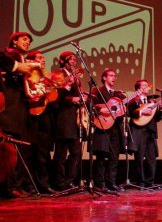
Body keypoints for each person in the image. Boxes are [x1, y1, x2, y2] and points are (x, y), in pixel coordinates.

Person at [0, 32, 37, 199]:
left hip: (18, 104)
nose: (27, 42)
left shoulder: (20, 58)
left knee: (15, 146)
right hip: (11, 104)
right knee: (10, 144)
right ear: (14, 41)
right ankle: (9, 187)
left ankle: (13, 186)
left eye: (29, 40)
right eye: (24, 39)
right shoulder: (12, 54)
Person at [52, 51, 87, 191]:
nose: (74, 61)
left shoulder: (77, 78)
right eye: (70, 59)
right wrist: (69, 91)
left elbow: (78, 95)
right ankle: (59, 182)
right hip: (63, 117)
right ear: (63, 61)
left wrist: (83, 98)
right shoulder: (57, 75)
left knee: (76, 152)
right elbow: (55, 97)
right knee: (61, 153)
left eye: (74, 59)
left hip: (75, 118)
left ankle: (69, 180)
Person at [25, 50, 58, 194]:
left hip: (45, 118)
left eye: (44, 58)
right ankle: (29, 184)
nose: (43, 60)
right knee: (30, 153)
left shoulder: (46, 78)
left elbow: (53, 99)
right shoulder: (27, 76)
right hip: (31, 117)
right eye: (40, 58)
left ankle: (43, 184)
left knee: (43, 153)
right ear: (30, 60)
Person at [91, 69, 126, 192]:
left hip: (115, 128)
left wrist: (123, 107)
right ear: (104, 78)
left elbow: (122, 111)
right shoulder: (97, 91)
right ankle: (100, 184)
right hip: (102, 126)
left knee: (114, 157)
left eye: (115, 76)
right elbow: (92, 105)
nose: (114, 78)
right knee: (101, 157)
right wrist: (102, 109)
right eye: (111, 75)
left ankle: (111, 183)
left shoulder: (118, 94)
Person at [127, 79, 162, 188]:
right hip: (139, 132)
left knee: (151, 157)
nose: (148, 87)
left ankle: (150, 181)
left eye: (148, 85)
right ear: (138, 89)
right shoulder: (133, 100)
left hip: (150, 131)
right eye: (144, 85)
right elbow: (129, 113)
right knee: (139, 157)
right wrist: (141, 111)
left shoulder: (151, 101)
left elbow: (157, 118)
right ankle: (141, 181)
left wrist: (159, 109)